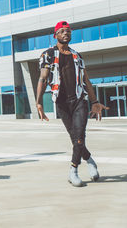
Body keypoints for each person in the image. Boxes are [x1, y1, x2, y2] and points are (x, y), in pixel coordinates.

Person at [36, 21, 108, 187]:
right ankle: (90, 160)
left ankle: (73, 171)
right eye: (61, 31)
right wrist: (39, 102)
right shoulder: (48, 54)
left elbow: (86, 79)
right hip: (61, 103)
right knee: (75, 138)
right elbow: (42, 77)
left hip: (79, 101)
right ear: (55, 35)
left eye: (68, 31)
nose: (65, 33)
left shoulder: (77, 56)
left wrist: (95, 101)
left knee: (80, 136)